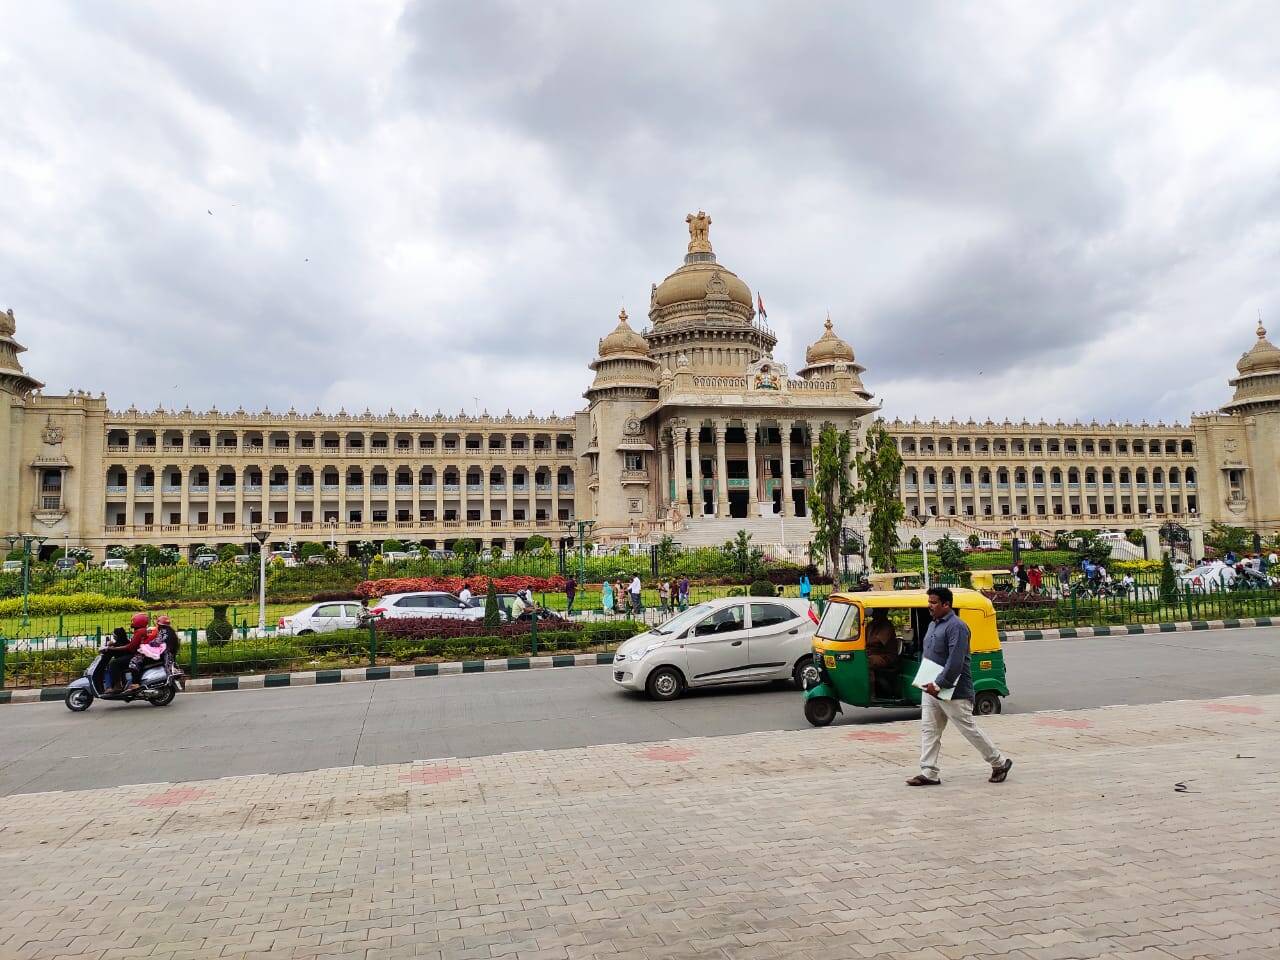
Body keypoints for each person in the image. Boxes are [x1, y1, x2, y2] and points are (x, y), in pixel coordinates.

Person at [907, 586, 1012, 787]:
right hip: (930, 689)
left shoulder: (957, 627)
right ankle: (929, 772)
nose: (929, 606)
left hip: (953, 690)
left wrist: (939, 684)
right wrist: (928, 683)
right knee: (929, 730)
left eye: (934, 602)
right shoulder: (933, 625)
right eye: (929, 602)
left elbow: (956, 661)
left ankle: (999, 763)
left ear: (946, 604)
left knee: (968, 729)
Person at [865, 609, 901, 698]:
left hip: (885, 656)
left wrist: (860, 641)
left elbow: (877, 641)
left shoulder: (886, 626)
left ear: (883, 613)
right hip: (871, 653)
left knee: (866, 662)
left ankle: (871, 694)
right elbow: (862, 635)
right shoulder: (871, 624)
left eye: (877, 611)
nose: (874, 613)